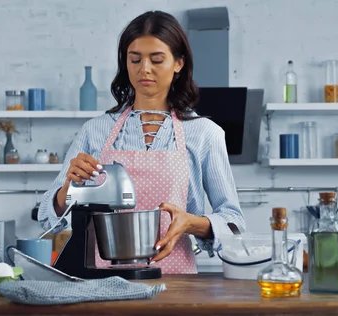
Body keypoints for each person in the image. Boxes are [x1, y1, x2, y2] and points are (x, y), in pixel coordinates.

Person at [37, 10, 245, 274]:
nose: (144, 69)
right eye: (135, 59)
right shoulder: (95, 131)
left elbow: (233, 222)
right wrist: (68, 189)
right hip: (102, 283)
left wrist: (190, 223)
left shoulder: (204, 133)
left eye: (157, 60)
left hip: (176, 285)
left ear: (178, 63)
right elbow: (48, 220)